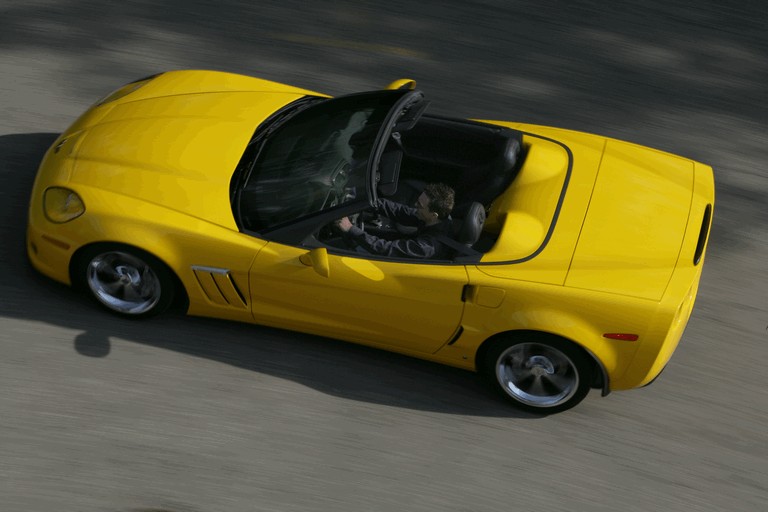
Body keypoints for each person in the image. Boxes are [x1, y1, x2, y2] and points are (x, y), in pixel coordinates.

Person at [336, 182, 455, 259]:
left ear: (434, 215)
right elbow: (399, 211)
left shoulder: (427, 247)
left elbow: (387, 249)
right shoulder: (433, 218)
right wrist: (370, 203)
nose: (415, 205)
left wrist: (351, 229)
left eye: (420, 205)